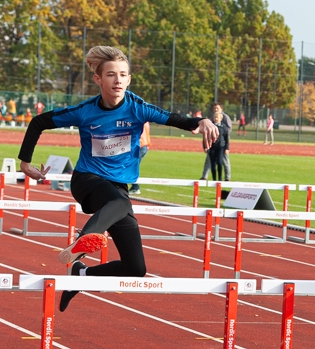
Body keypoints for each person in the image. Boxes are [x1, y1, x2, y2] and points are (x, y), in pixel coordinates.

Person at [18, 45, 218, 312]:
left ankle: (81, 276)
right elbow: (39, 122)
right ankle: (84, 240)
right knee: (121, 203)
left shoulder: (138, 109)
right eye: (111, 74)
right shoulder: (85, 111)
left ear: (129, 79)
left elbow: (176, 119)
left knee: (135, 268)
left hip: (116, 190)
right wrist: (25, 162)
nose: (118, 80)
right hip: (87, 180)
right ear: (98, 79)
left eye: (123, 74)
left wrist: (202, 121)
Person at [201, 104, 232, 181]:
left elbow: (228, 129)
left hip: (222, 142)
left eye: (217, 108)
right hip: (213, 144)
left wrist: (221, 134)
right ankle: (205, 176)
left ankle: (227, 177)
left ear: (221, 108)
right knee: (209, 160)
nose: (216, 109)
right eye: (214, 108)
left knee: (224, 161)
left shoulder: (225, 117)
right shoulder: (212, 118)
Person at [129, 122, 151, 195]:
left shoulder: (140, 120)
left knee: (131, 166)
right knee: (132, 166)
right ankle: (134, 186)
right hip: (144, 146)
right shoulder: (146, 121)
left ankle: (135, 187)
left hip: (140, 146)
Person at [207, 111, 229, 181]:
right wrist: (205, 146)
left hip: (220, 147)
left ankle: (220, 178)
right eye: (215, 117)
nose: (216, 119)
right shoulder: (210, 126)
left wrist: (226, 148)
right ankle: (214, 179)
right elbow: (206, 137)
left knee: (219, 163)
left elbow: (226, 138)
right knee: (213, 165)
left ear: (221, 118)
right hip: (212, 147)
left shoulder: (224, 127)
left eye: (217, 117)